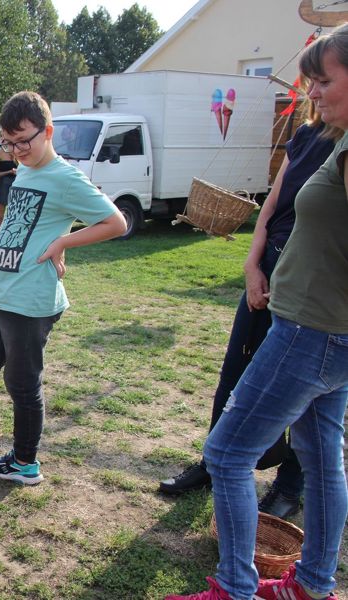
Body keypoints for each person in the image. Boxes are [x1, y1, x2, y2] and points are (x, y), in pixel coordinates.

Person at [168, 25, 348, 600]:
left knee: (226, 453)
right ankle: (313, 584)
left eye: (323, 81)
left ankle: (234, 588)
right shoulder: (333, 139)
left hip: (311, 332)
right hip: (327, 334)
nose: (311, 92)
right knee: (322, 461)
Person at [0, 91, 125, 485]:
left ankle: (24, 462)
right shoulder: (25, 170)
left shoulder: (65, 177)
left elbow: (115, 223)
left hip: (31, 300)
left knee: (21, 384)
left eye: (23, 141)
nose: (16, 150)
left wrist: (63, 242)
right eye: (9, 142)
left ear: (47, 131)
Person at [158, 98, 339, 521]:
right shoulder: (307, 135)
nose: (314, 92)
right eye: (311, 83)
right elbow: (271, 205)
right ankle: (212, 463)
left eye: (324, 81)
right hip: (271, 263)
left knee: (308, 395)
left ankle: (289, 487)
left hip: (314, 282)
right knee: (235, 372)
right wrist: (253, 265)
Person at [0, 144, 17, 234]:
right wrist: (10, 171)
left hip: (19, 185)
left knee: (16, 217)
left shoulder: (20, 150)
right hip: (4, 185)